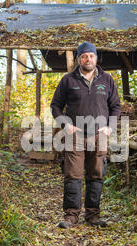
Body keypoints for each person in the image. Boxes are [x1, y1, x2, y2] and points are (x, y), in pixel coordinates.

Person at [50, 41, 121, 229]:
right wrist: (66, 125)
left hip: (99, 135)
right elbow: (55, 105)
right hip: (76, 135)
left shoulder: (107, 80)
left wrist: (110, 127)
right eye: (84, 56)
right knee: (72, 175)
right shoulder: (68, 80)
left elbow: (116, 106)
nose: (88, 59)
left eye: (91, 56)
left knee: (96, 175)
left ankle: (93, 216)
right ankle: (71, 216)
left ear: (96, 58)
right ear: (78, 59)